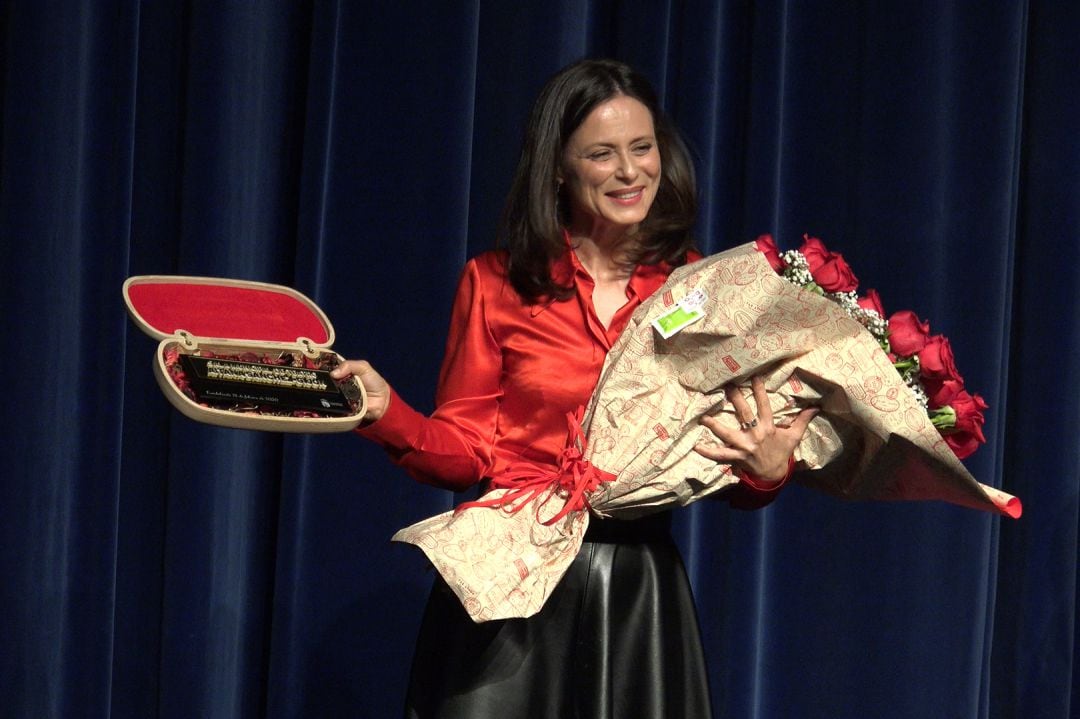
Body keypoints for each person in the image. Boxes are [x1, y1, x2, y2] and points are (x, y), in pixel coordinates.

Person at [331, 58, 815, 718]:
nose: (629, 171)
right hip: (513, 584)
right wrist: (388, 413)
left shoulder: (699, 288)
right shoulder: (496, 282)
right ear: (558, 167)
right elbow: (467, 448)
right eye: (602, 154)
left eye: (642, 148)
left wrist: (766, 471)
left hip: (636, 593)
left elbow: (730, 454)